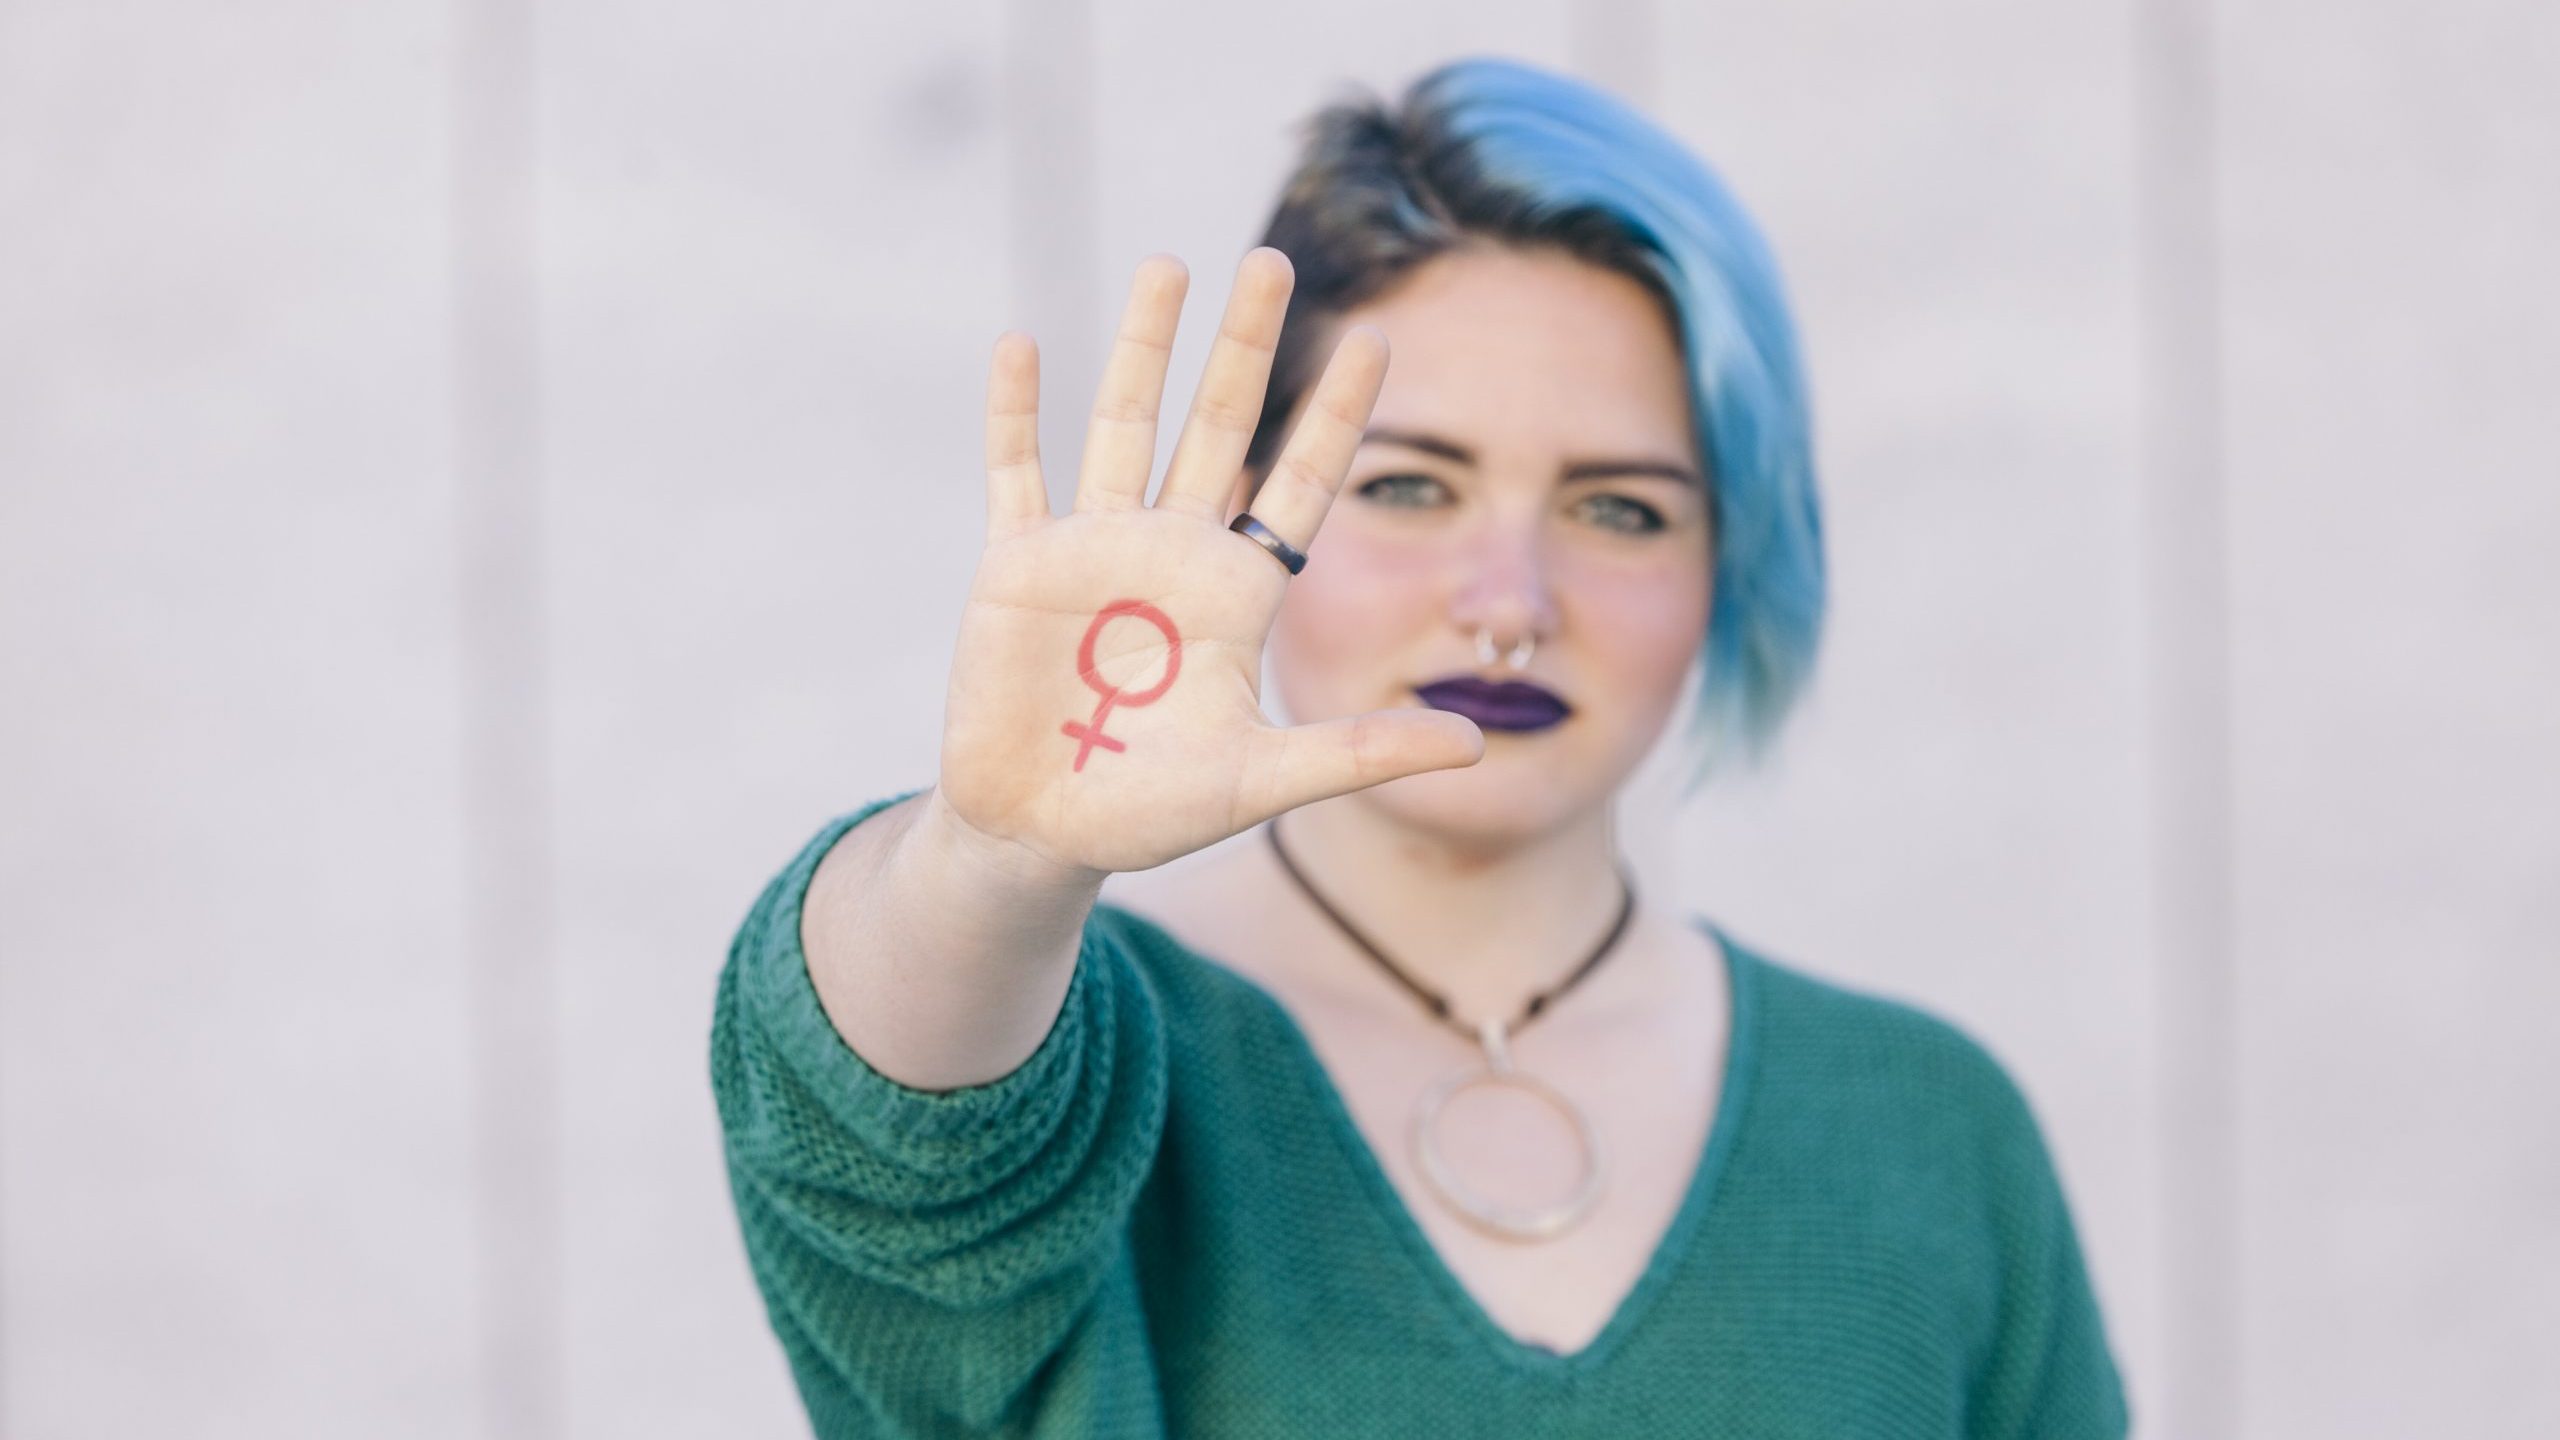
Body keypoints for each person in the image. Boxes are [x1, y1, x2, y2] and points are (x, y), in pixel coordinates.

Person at [710, 56, 2130, 1437]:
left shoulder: (1929, 1132)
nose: (1509, 604)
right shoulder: (1076, 1067)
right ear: (1242, 517)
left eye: (1618, 509)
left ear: (1729, 561)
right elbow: (878, 1111)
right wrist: (992, 862)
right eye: (1407, 485)